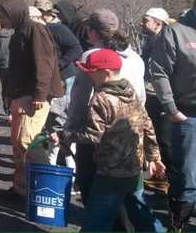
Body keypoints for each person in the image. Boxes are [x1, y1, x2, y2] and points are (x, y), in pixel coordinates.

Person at [55, 49, 165, 232]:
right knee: (140, 210)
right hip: (134, 167)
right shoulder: (130, 92)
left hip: (110, 172)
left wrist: (65, 134)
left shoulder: (101, 99)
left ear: (104, 74)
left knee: (97, 219)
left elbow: (93, 135)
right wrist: (154, 157)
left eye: (91, 72)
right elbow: (148, 126)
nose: (89, 76)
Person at [65, 9, 146, 204]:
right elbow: (141, 98)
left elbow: (79, 100)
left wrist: (69, 132)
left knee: (94, 190)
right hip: (131, 134)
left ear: (92, 32)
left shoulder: (92, 57)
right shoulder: (135, 58)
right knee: (129, 195)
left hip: (97, 135)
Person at [0, 0, 63, 197]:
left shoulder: (36, 29)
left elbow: (45, 64)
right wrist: (8, 94)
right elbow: (14, 69)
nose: (1, 21)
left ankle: (41, 189)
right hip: (19, 94)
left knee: (27, 141)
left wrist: (40, 95)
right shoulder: (17, 33)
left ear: (14, 12)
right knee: (16, 142)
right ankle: (20, 188)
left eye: (3, 16)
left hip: (35, 96)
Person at [149, 6, 196, 232]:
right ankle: (178, 225)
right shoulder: (176, 32)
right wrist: (171, 108)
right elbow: (159, 72)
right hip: (187, 114)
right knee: (187, 177)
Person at [35, 0, 83, 168]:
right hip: (50, 79)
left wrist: (59, 64)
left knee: (62, 119)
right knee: (50, 120)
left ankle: (69, 161)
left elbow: (76, 49)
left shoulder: (58, 29)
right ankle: (53, 159)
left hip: (65, 78)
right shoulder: (39, 31)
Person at [141, 7, 172, 194]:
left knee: (164, 138)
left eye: (146, 20)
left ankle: (166, 179)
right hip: (150, 93)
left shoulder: (167, 41)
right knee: (153, 135)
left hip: (162, 95)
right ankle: (157, 176)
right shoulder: (149, 40)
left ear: (158, 23)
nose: (142, 24)